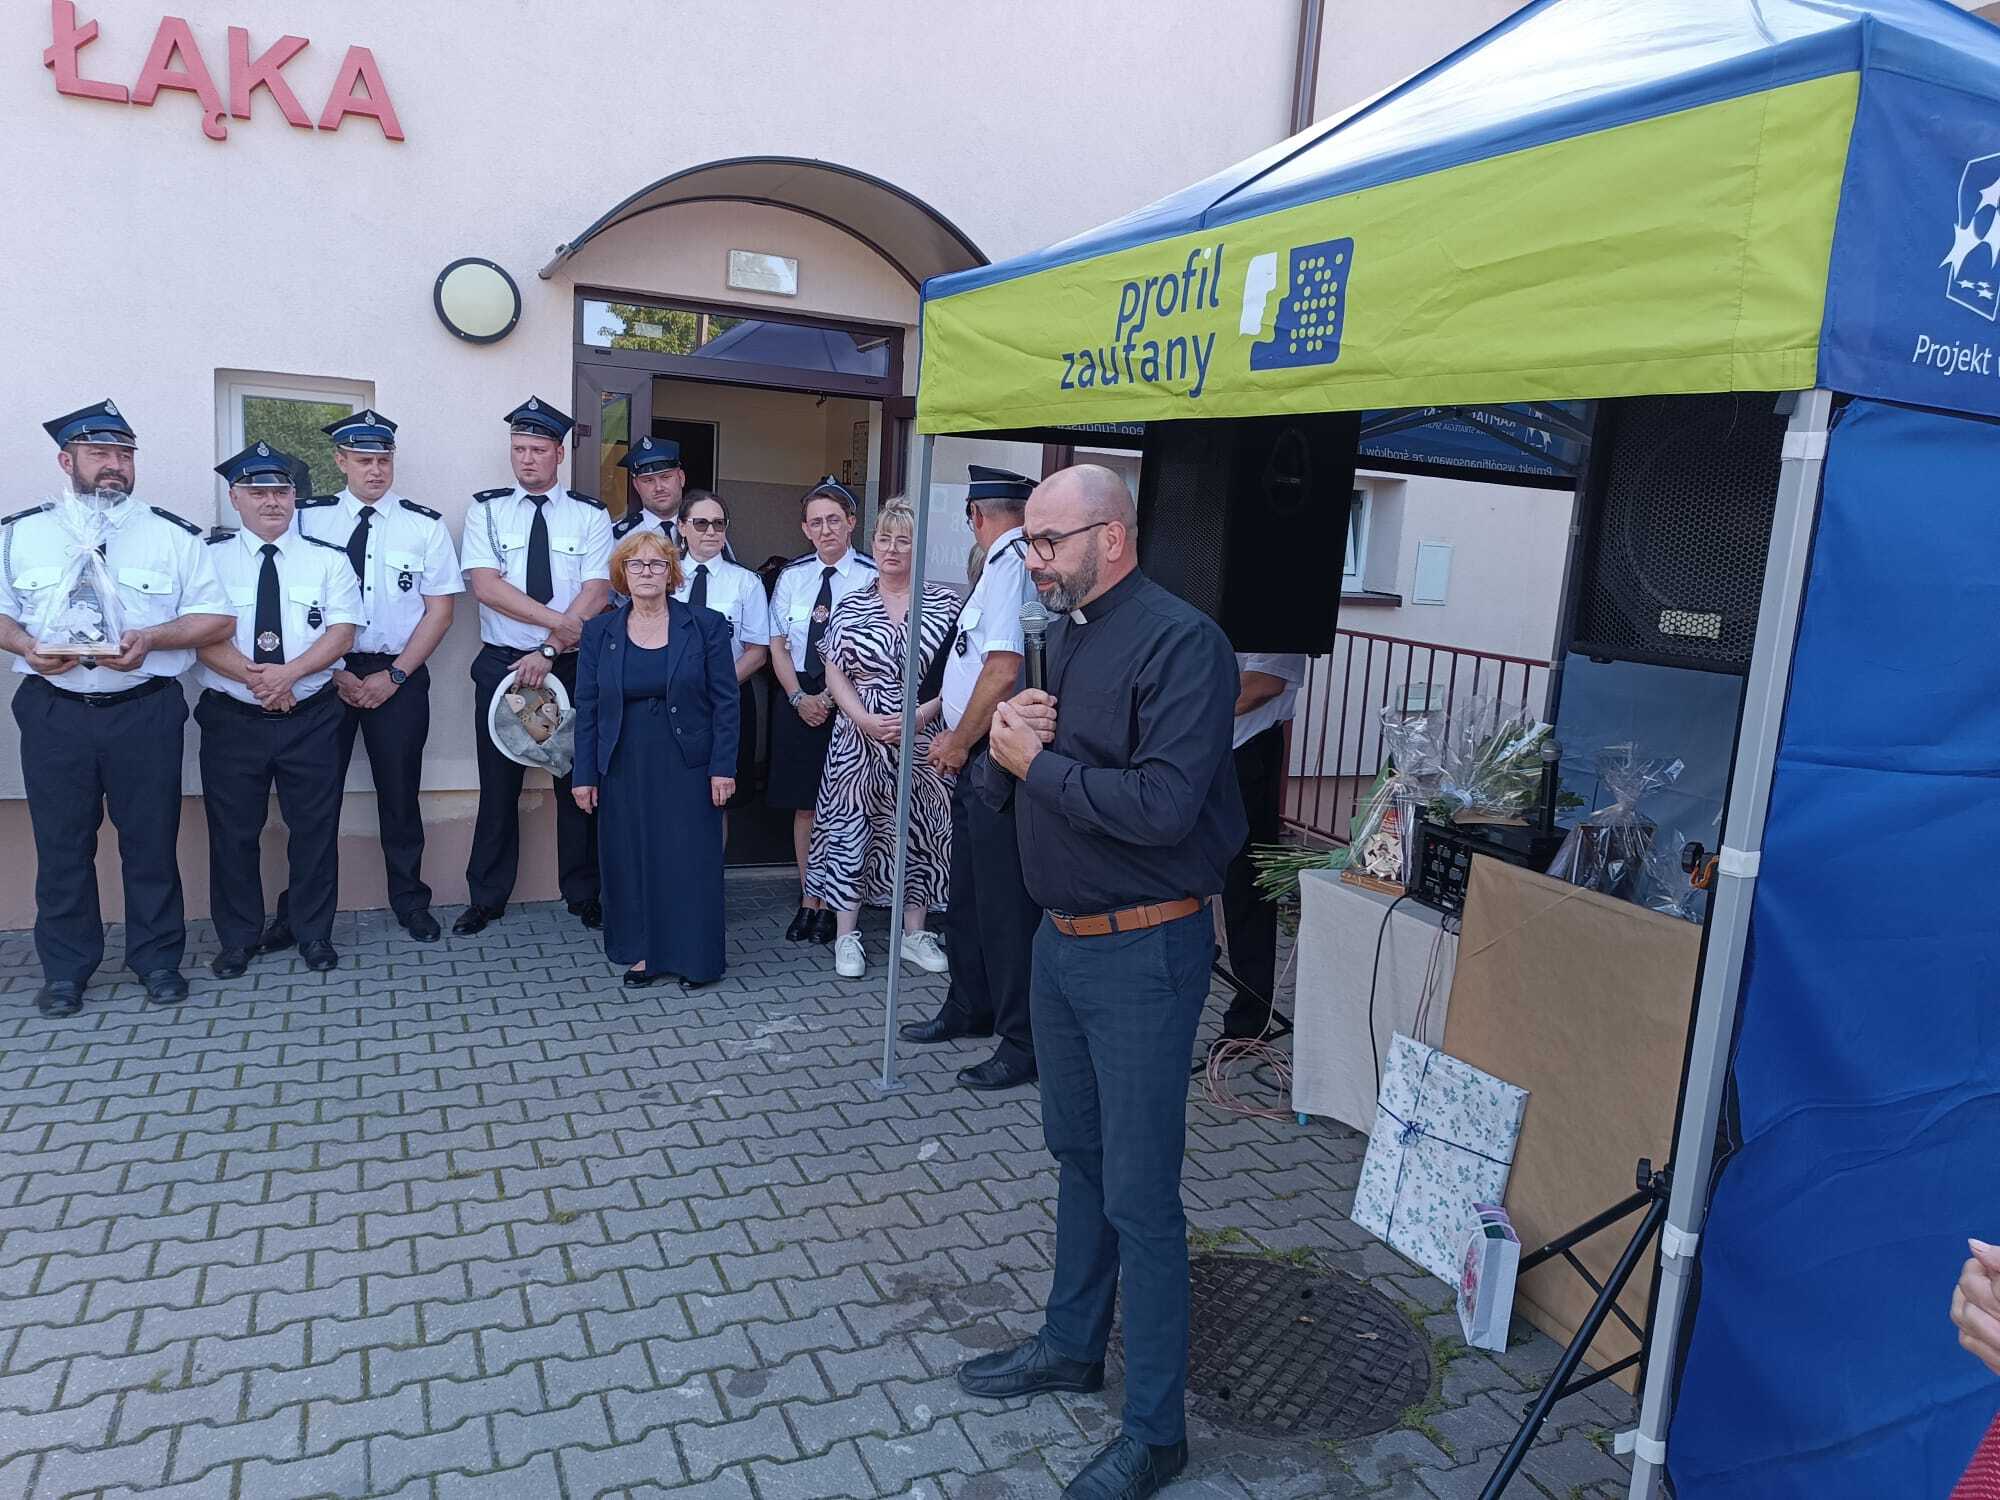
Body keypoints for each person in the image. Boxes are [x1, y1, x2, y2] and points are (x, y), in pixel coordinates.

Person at [959, 465, 1245, 1500]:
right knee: (1077, 1155)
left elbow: (1164, 809)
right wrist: (1007, 750)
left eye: (1047, 541)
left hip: (1143, 953)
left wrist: (1033, 766)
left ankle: (1156, 1431)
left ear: (1110, 538)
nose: (1032, 560)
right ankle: (1072, 1345)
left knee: (1139, 1192)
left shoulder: (1184, 645)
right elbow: (1020, 781)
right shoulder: (1065, 635)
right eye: (1027, 544)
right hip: (1063, 944)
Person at [0, 400, 232, 1017]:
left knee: (150, 842)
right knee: (61, 846)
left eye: (125, 455)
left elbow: (216, 617)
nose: (115, 465)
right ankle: (65, 970)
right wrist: (24, 645)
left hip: (143, 711)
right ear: (66, 461)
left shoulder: (170, 535)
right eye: (100, 453)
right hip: (55, 711)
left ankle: (157, 960)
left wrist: (153, 638)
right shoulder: (21, 533)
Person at [279, 409, 459, 945]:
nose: (375, 470)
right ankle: (300, 913)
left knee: (400, 795)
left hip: (398, 673)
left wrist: (396, 675)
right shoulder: (307, 520)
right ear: (341, 461)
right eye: (363, 460)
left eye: (383, 460)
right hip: (322, 678)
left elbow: (440, 611)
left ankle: (410, 901)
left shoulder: (423, 525)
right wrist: (332, 670)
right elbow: (289, 605)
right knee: (314, 802)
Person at [194, 444, 364, 978]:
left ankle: (313, 933)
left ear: (294, 497)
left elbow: (342, 632)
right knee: (233, 833)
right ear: (234, 498)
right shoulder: (208, 559)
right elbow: (200, 635)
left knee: (315, 831)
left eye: (281, 491)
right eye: (258, 492)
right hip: (233, 719)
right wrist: (261, 680)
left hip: (311, 717)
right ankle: (238, 939)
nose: (272, 501)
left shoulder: (328, 559)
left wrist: (288, 676)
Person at [903, 465, 1043, 1091]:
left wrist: (959, 742)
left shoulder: (1011, 564)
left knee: (1003, 901)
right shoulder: (999, 563)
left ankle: (1021, 1038)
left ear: (977, 516)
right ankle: (970, 1002)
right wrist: (941, 713)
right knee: (969, 892)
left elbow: (1004, 667)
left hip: (993, 750)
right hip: (975, 745)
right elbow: (970, 663)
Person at [456, 397, 613, 937]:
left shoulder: (590, 515)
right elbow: (486, 587)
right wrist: (559, 624)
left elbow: (597, 590)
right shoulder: (487, 511)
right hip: (504, 667)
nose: (526, 459)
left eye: (538, 450)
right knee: (498, 786)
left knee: (576, 784)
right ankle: (486, 898)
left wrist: (549, 648)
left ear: (559, 454)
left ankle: (584, 893)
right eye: (519, 449)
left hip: (567, 667)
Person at [572, 530, 738, 990]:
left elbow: (726, 702)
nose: (646, 572)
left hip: (688, 762)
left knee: (688, 859)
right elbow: (587, 706)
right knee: (632, 858)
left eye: (656, 564)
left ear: (671, 573)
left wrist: (723, 767)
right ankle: (645, 952)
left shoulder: (704, 625)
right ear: (622, 574)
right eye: (636, 564)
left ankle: (696, 959)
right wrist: (584, 775)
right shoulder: (599, 631)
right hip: (623, 762)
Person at [803, 500, 955, 980]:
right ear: (872, 543)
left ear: (918, 548)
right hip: (857, 736)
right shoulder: (851, 602)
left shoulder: (945, 605)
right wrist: (864, 719)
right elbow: (834, 670)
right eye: (884, 539)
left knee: (918, 830)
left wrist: (922, 714)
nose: (892, 549)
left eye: (903, 540)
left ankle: (914, 933)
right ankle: (847, 935)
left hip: (923, 734)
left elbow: (957, 673)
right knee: (850, 831)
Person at [766, 478, 875, 944]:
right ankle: (808, 898)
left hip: (852, 700)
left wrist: (830, 699)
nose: (825, 529)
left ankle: (835, 902)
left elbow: (869, 651)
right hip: (798, 697)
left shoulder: (870, 576)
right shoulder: (793, 576)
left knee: (844, 806)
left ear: (851, 522)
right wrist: (798, 697)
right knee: (806, 805)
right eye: (816, 522)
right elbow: (777, 643)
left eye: (834, 520)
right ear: (805, 529)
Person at [1213, 651, 1308, 1051]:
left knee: (1246, 888)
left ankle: (1250, 1021)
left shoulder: (1275, 621)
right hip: (1201, 749)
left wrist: (1188, 711)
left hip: (1245, 752)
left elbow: (1263, 685)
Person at [672, 490, 770, 808]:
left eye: (719, 523)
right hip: (670, 699)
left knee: (722, 798)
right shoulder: (663, 577)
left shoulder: (747, 582)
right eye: (701, 523)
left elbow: (757, 653)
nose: (711, 531)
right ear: (682, 527)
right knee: (673, 791)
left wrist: (714, 687)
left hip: (728, 699)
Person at [609, 435, 686, 547]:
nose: (658, 488)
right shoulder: (619, 538)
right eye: (648, 480)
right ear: (636, 486)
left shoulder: (704, 529)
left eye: (665, 477)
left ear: (681, 478)